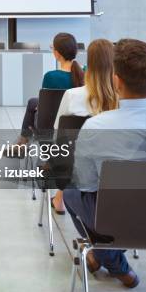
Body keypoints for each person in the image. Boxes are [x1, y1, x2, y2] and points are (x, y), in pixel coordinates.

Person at [65, 39, 146, 289]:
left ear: (116, 81)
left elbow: (88, 186)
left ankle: (113, 262)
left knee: (72, 190)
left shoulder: (96, 127)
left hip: (116, 222)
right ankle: (109, 260)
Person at [50, 39, 118, 214]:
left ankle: (61, 198)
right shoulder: (123, 100)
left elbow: (58, 135)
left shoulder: (72, 96)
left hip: (76, 168)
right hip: (116, 170)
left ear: (89, 63)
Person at [15, 33, 85, 147]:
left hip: (50, 128)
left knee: (33, 104)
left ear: (57, 54)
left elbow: (44, 108)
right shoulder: (83, 76)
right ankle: (22, 142)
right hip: (77, 128)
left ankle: (22, 142)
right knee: (33, 101)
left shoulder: (50, 76)